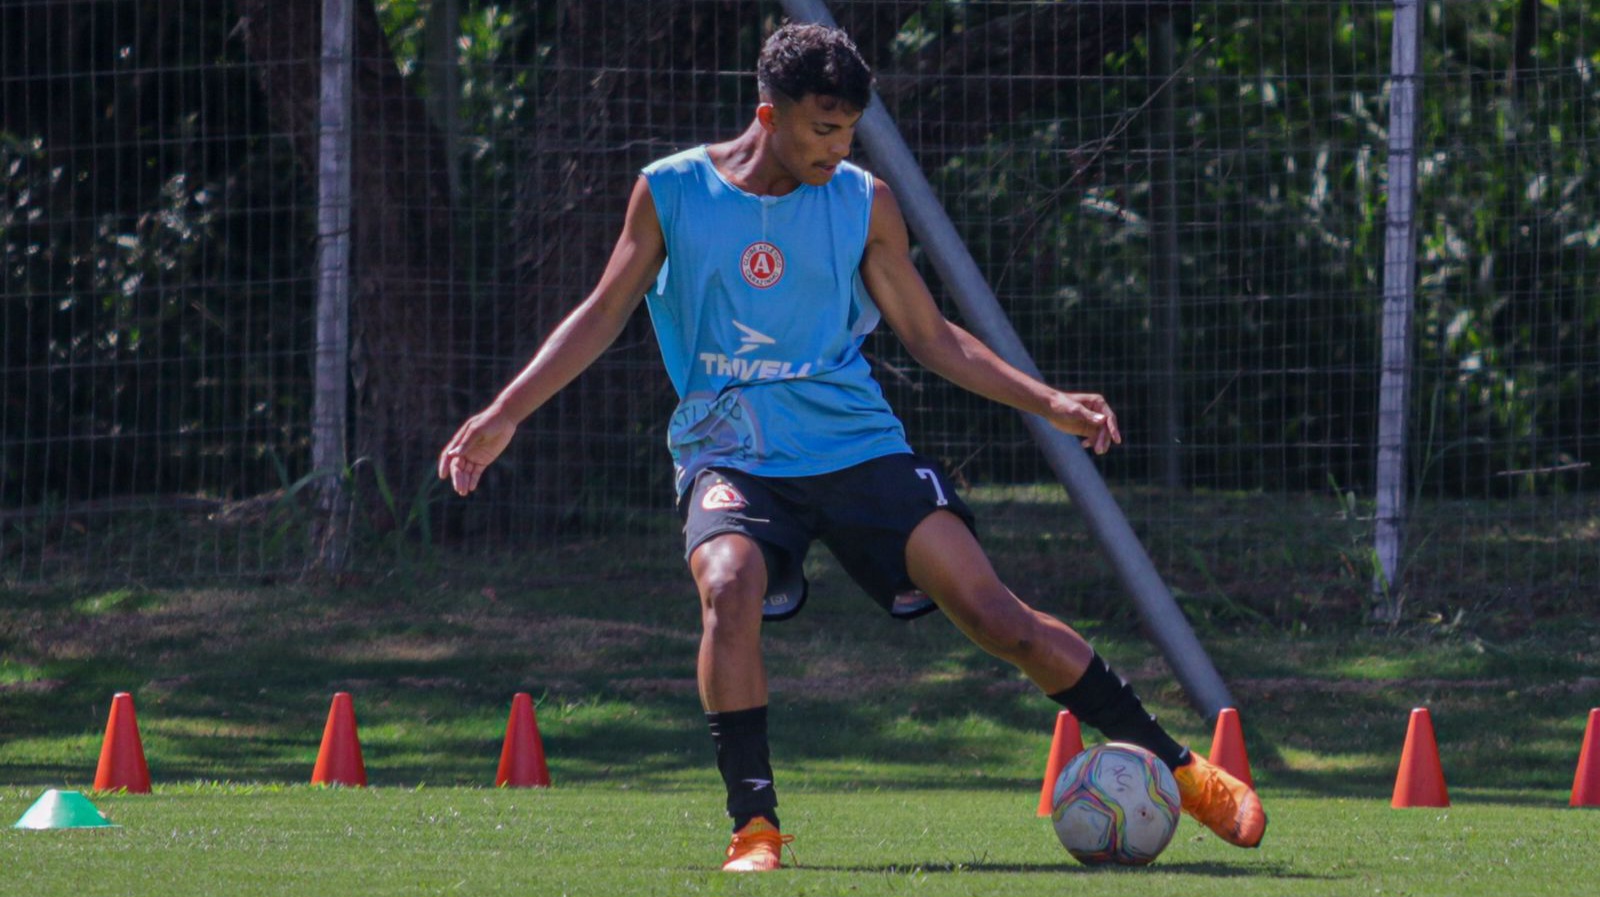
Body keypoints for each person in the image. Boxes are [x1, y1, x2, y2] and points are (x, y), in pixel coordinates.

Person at [439, 21, 1265, 873]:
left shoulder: (863, 202)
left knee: (992, 613)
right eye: (821, 129)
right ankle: (755, 828)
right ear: (770, 113)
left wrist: (1045, 398)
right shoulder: (672, 191)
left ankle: (1182, 769)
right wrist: (506, 412)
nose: (837, 147)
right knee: (727, 583)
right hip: (732, 450)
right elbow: (603, 313)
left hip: (856, 445)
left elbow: (932, 336)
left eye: (849, 131)